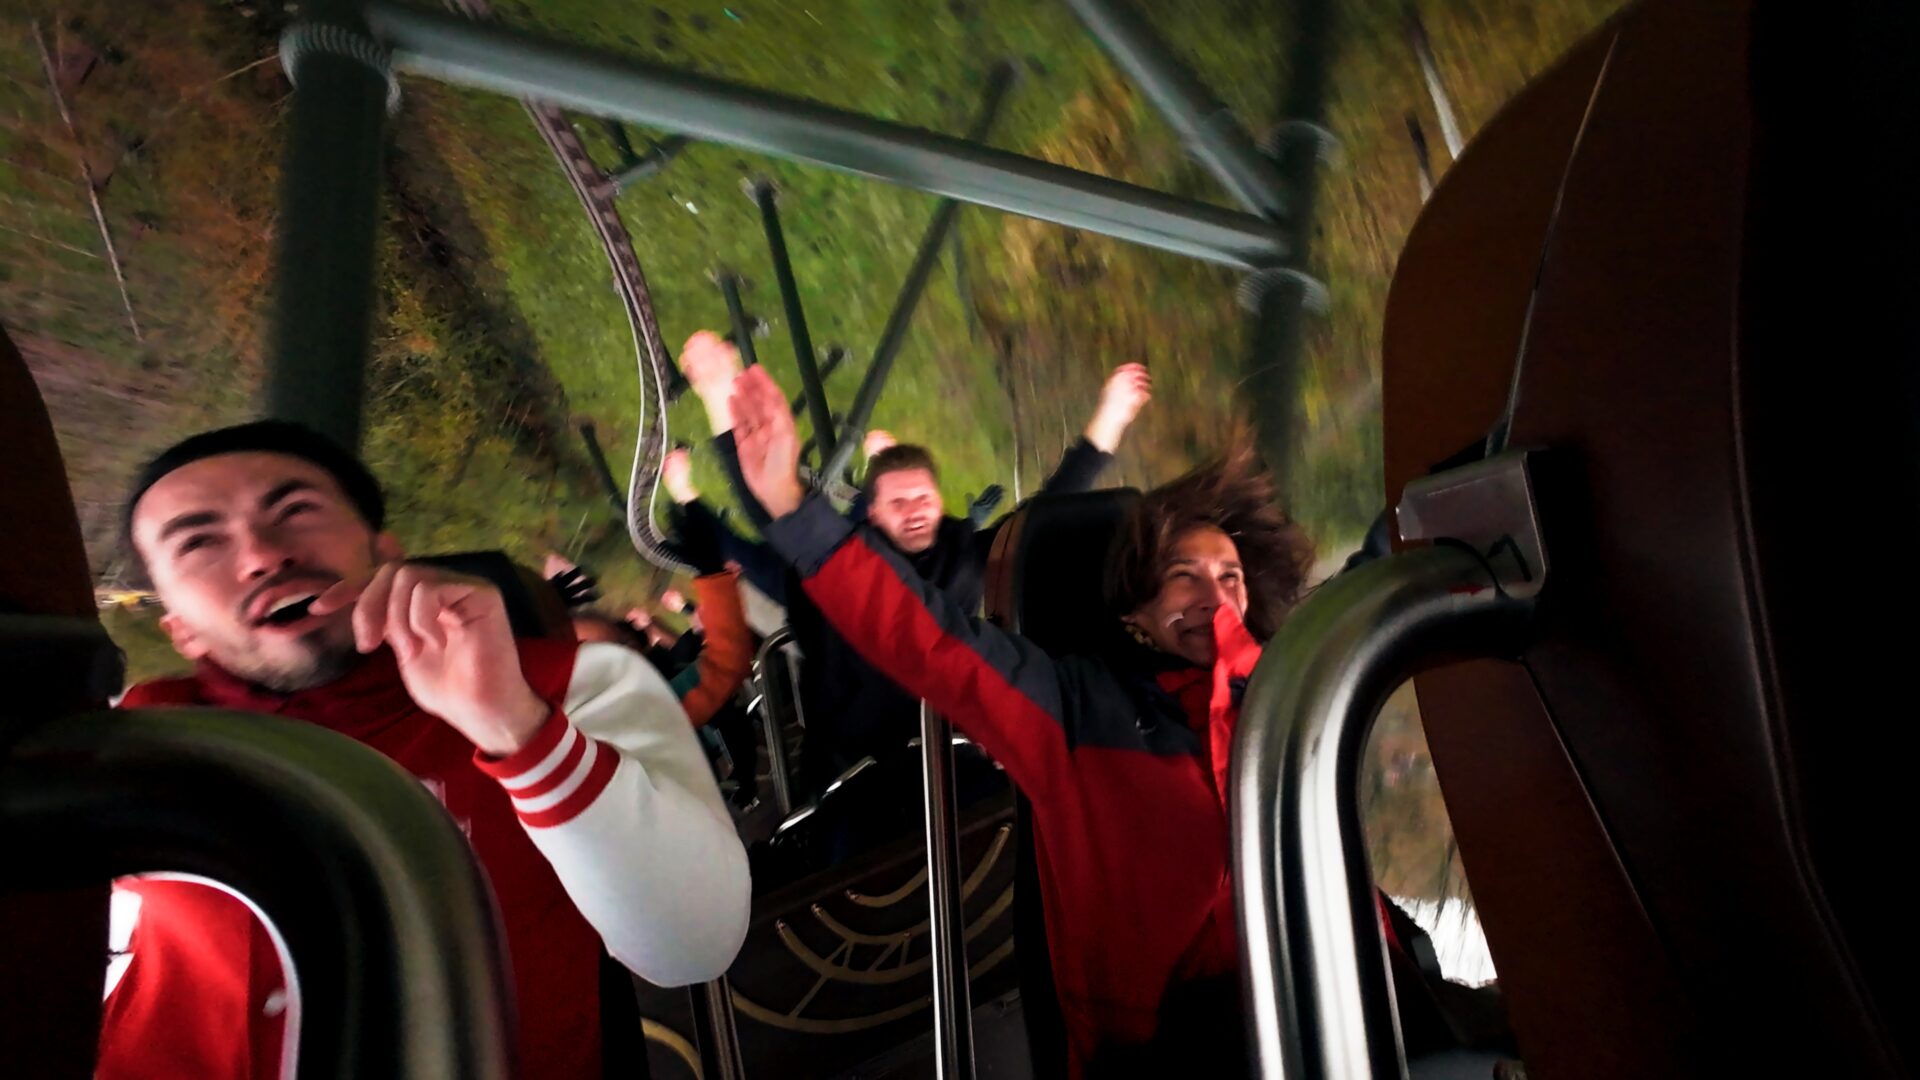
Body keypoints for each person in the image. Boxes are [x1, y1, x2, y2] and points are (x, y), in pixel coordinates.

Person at [100, 421, 751, 1080]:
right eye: (199, 542)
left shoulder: (577, 685)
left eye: (296, 510)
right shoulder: (129, 747)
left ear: (384, 551)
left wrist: (516, 729)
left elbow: (693, 947)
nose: (262, 556)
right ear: (178, 627)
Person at [728, 364, 1312, 1075]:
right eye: (1182, 576)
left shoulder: (1290, 691)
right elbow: (937, 644)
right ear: (1134, 613)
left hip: (1329, 985)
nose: (1212, 597)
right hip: (1174, 1045)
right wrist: (791, 505)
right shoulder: (1074, 707)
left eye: (1229, 578)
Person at [673, 331, 1154, 813]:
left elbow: (1045, 514)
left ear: (940, 502)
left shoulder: (965, 551)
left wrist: (1110, 418)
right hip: (848, 773)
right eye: (898, 503)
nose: (914, 511)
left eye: (923, 499)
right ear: (872, 513)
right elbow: (772, 505)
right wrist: (719, 394)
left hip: (950, 764)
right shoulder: (840, 560)